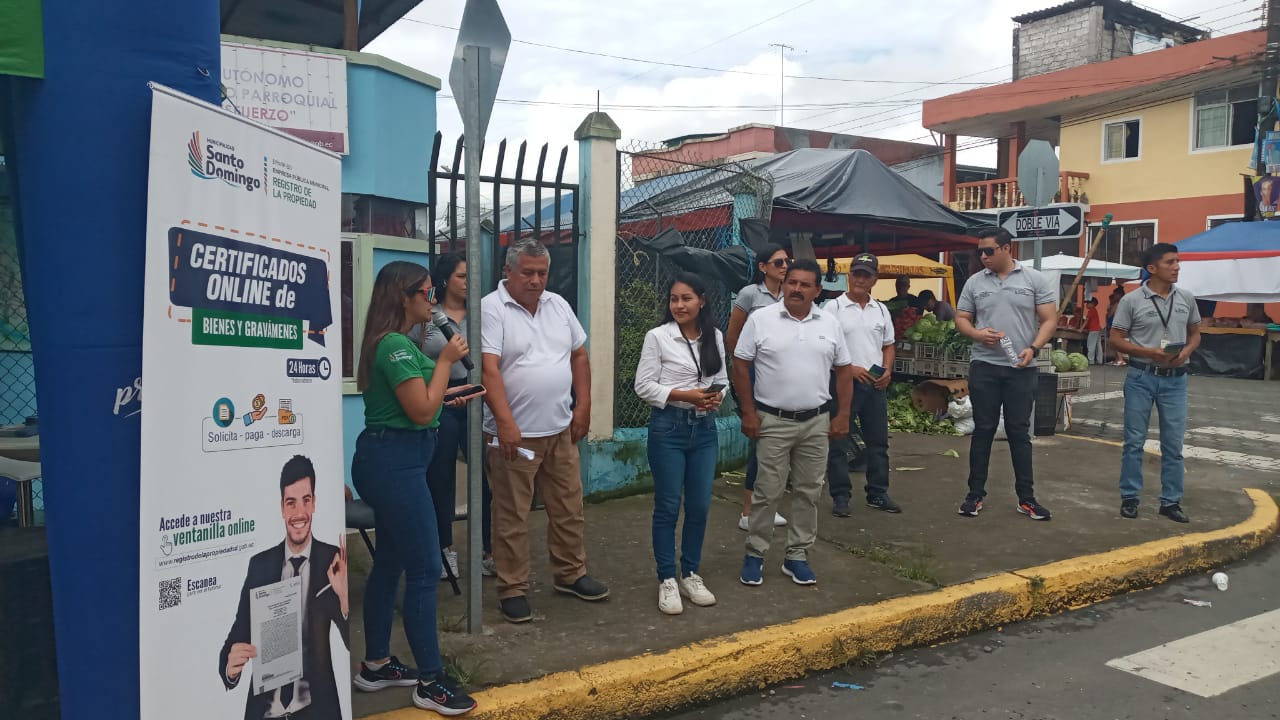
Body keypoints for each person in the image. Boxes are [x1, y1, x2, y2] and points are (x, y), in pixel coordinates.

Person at [348, 261, 481, 714]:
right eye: (426, 293)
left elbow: (432, 394)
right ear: (402, 297)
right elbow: (422, 411)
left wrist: (453, 392)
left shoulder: (402, 344)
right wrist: (445, 362)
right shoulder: (392, 347)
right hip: (394, 463)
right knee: (425, 568)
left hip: (399, 458)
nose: (433, 300)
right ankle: (430, 680)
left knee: (390, 561)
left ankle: (376, 664)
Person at [481, 239, 609, 624]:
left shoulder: (558, 305)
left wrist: (583, 406)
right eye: (528, 273)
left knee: (569, 507)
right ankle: (512, 588)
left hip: (560, 429)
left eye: (542, 273)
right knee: (511, 515)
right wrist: (505, 421)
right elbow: (488, 369)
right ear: (508, 271)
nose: (536, 281)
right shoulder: (491, 308)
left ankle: (570, 573)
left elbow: (579, 355)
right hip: (515, 436)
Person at [733, 258, 853, 587]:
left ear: (817, 290)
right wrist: (748, 412)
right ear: (784, 284)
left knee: (809, 492)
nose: (796, 289)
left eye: (804, 285)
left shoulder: (829, 323)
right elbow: (741, 364)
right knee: (766, 492)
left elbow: (844, 370)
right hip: (773, 420)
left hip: (816, 422)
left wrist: (842, 415)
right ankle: (755, 554)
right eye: (792, 282)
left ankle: (797, 555)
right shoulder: (761, 319)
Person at [219, 454, 349, 720]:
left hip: (315, 712)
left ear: (314, 503)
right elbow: (238, 634)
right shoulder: (260, 565)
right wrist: (230, 668)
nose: (299, 513)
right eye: (291, 503)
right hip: (267, 713)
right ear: (281, 507)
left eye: (306, 500)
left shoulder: (331, 560)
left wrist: (344, 597)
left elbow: (350, 642)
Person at [634, 272, 728, 615]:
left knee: (700, 506)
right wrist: (686, 395)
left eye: (686, 298)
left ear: (702, 300)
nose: (679, 305)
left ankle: (690, 574)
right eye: (674, 299)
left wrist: (714, 398)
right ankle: (667, 578)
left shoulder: (714, 336)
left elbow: (722, 380)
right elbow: (643, 386)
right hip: (668, 428)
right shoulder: (658, 337)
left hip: (704, 430)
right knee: (669, 506)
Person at [954, 227, 1057, 521]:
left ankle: (1027, 498)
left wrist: (1033, 349)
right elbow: (962, 318)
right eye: (980, 252)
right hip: (984, 366)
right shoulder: (975, 282)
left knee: (1019, 432)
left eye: (989, 251)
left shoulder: (1033, 279)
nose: (983, 256)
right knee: (983, 430)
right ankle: (974, 496)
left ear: (1007, 248)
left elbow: (1049, 319)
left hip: (1021, 368)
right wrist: (977, 334)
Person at [1109, 243, 1201, 523]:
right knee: (1134, 441)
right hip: (1141, 377)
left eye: (1178, 261)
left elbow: (1195, 333)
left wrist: (1186, 351)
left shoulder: (1186, 297)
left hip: (1176, 379)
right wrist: (1149, 352)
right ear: (1152, 268)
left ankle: (1170, 502)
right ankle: (1130, 497)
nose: (1177, 267)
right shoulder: (1132, 300)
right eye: (1170, 262)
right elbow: (1115, 339)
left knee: (1173, 444)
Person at [417, 253, 494, 581]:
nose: (468, 282)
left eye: (471, 276)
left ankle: (488, 550)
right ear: (446, 279)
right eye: (462, 276)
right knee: (441, 477)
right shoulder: (427, 315)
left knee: (485, 478)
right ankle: (444, 547)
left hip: (474, 398)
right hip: (441, 401)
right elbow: (414, 360)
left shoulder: (481, 315)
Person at [824, 253, 898, 516]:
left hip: (874, 384)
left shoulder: (881, 310)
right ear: (849, 276)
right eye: (856, 274)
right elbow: (824, 347)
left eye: (866, 275)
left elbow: (888, 345)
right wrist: (849, 368)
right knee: (839, 439)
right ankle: (840, 496)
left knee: (878, 441)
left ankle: (877, 492)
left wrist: (887, 369)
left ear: (874, 280)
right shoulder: (833, 308)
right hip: (843, 382)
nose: (860, 280)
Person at [725, 243, 791, 532]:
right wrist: (741, 370)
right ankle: (749, 511)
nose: (785, 266)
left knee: (780, 442)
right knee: (762, 440)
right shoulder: (750, 294)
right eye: (778, 262)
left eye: (787, 262)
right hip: (754, 374)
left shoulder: (791, 294)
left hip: (783, 375)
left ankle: (768, 506)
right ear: (763, 267)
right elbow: (733, 336)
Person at [1107, 286, 1127, 366]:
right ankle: (1117, 359)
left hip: (1116, 325)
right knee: (1118, 341)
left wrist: (1109, 310)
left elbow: (1110, 315)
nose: (1114, 296)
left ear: (1119, 295)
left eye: (1115, 294)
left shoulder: (1117, 304)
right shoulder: (1126, 302)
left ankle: (1121, 359)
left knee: (1116, 342)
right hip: (1123, 324)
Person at [1083, 297, 1104, 365]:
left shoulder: (1091, 311)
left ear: (1092, 304)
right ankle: (1099, 360)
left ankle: (1091, 361)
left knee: (1091, 346)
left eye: (1088, 303)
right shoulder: (1094, 310)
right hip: (1098, 329)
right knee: (1098, 345)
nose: (1086, 304)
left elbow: (1086, 321)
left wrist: (1081, 329)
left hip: (1093, 330)